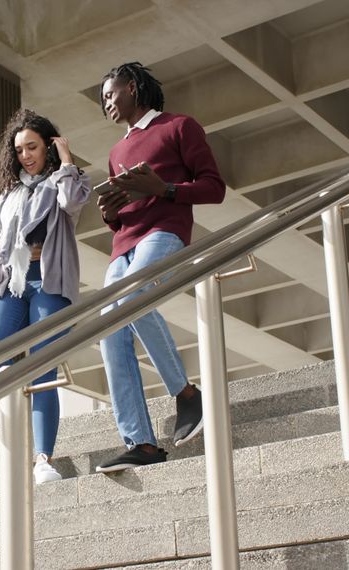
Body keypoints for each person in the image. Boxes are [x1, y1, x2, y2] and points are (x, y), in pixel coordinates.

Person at [93, 62, 227, 473]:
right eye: (103, 102)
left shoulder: (180, 127)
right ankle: (142, 443)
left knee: (135, 296)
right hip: (124, 242)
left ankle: (187, 394)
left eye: (111, 95)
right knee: (107, 325)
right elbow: (123, 213)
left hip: (164, 231)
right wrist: (109, 214)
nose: (107, 105)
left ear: (132, 88)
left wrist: (165, 189)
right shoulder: (117, 152)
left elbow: (214, 188)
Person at [0, 108, 91, 483]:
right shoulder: (8, 194)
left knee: (44, 366)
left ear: (48, 147)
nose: (26, 154)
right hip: (11, 282)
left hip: (49, 281)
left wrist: (68, 161)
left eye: (33, 146)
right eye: (20, 149)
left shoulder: (62, 181)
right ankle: (18, 413)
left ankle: (43, 458)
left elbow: (74, 203)